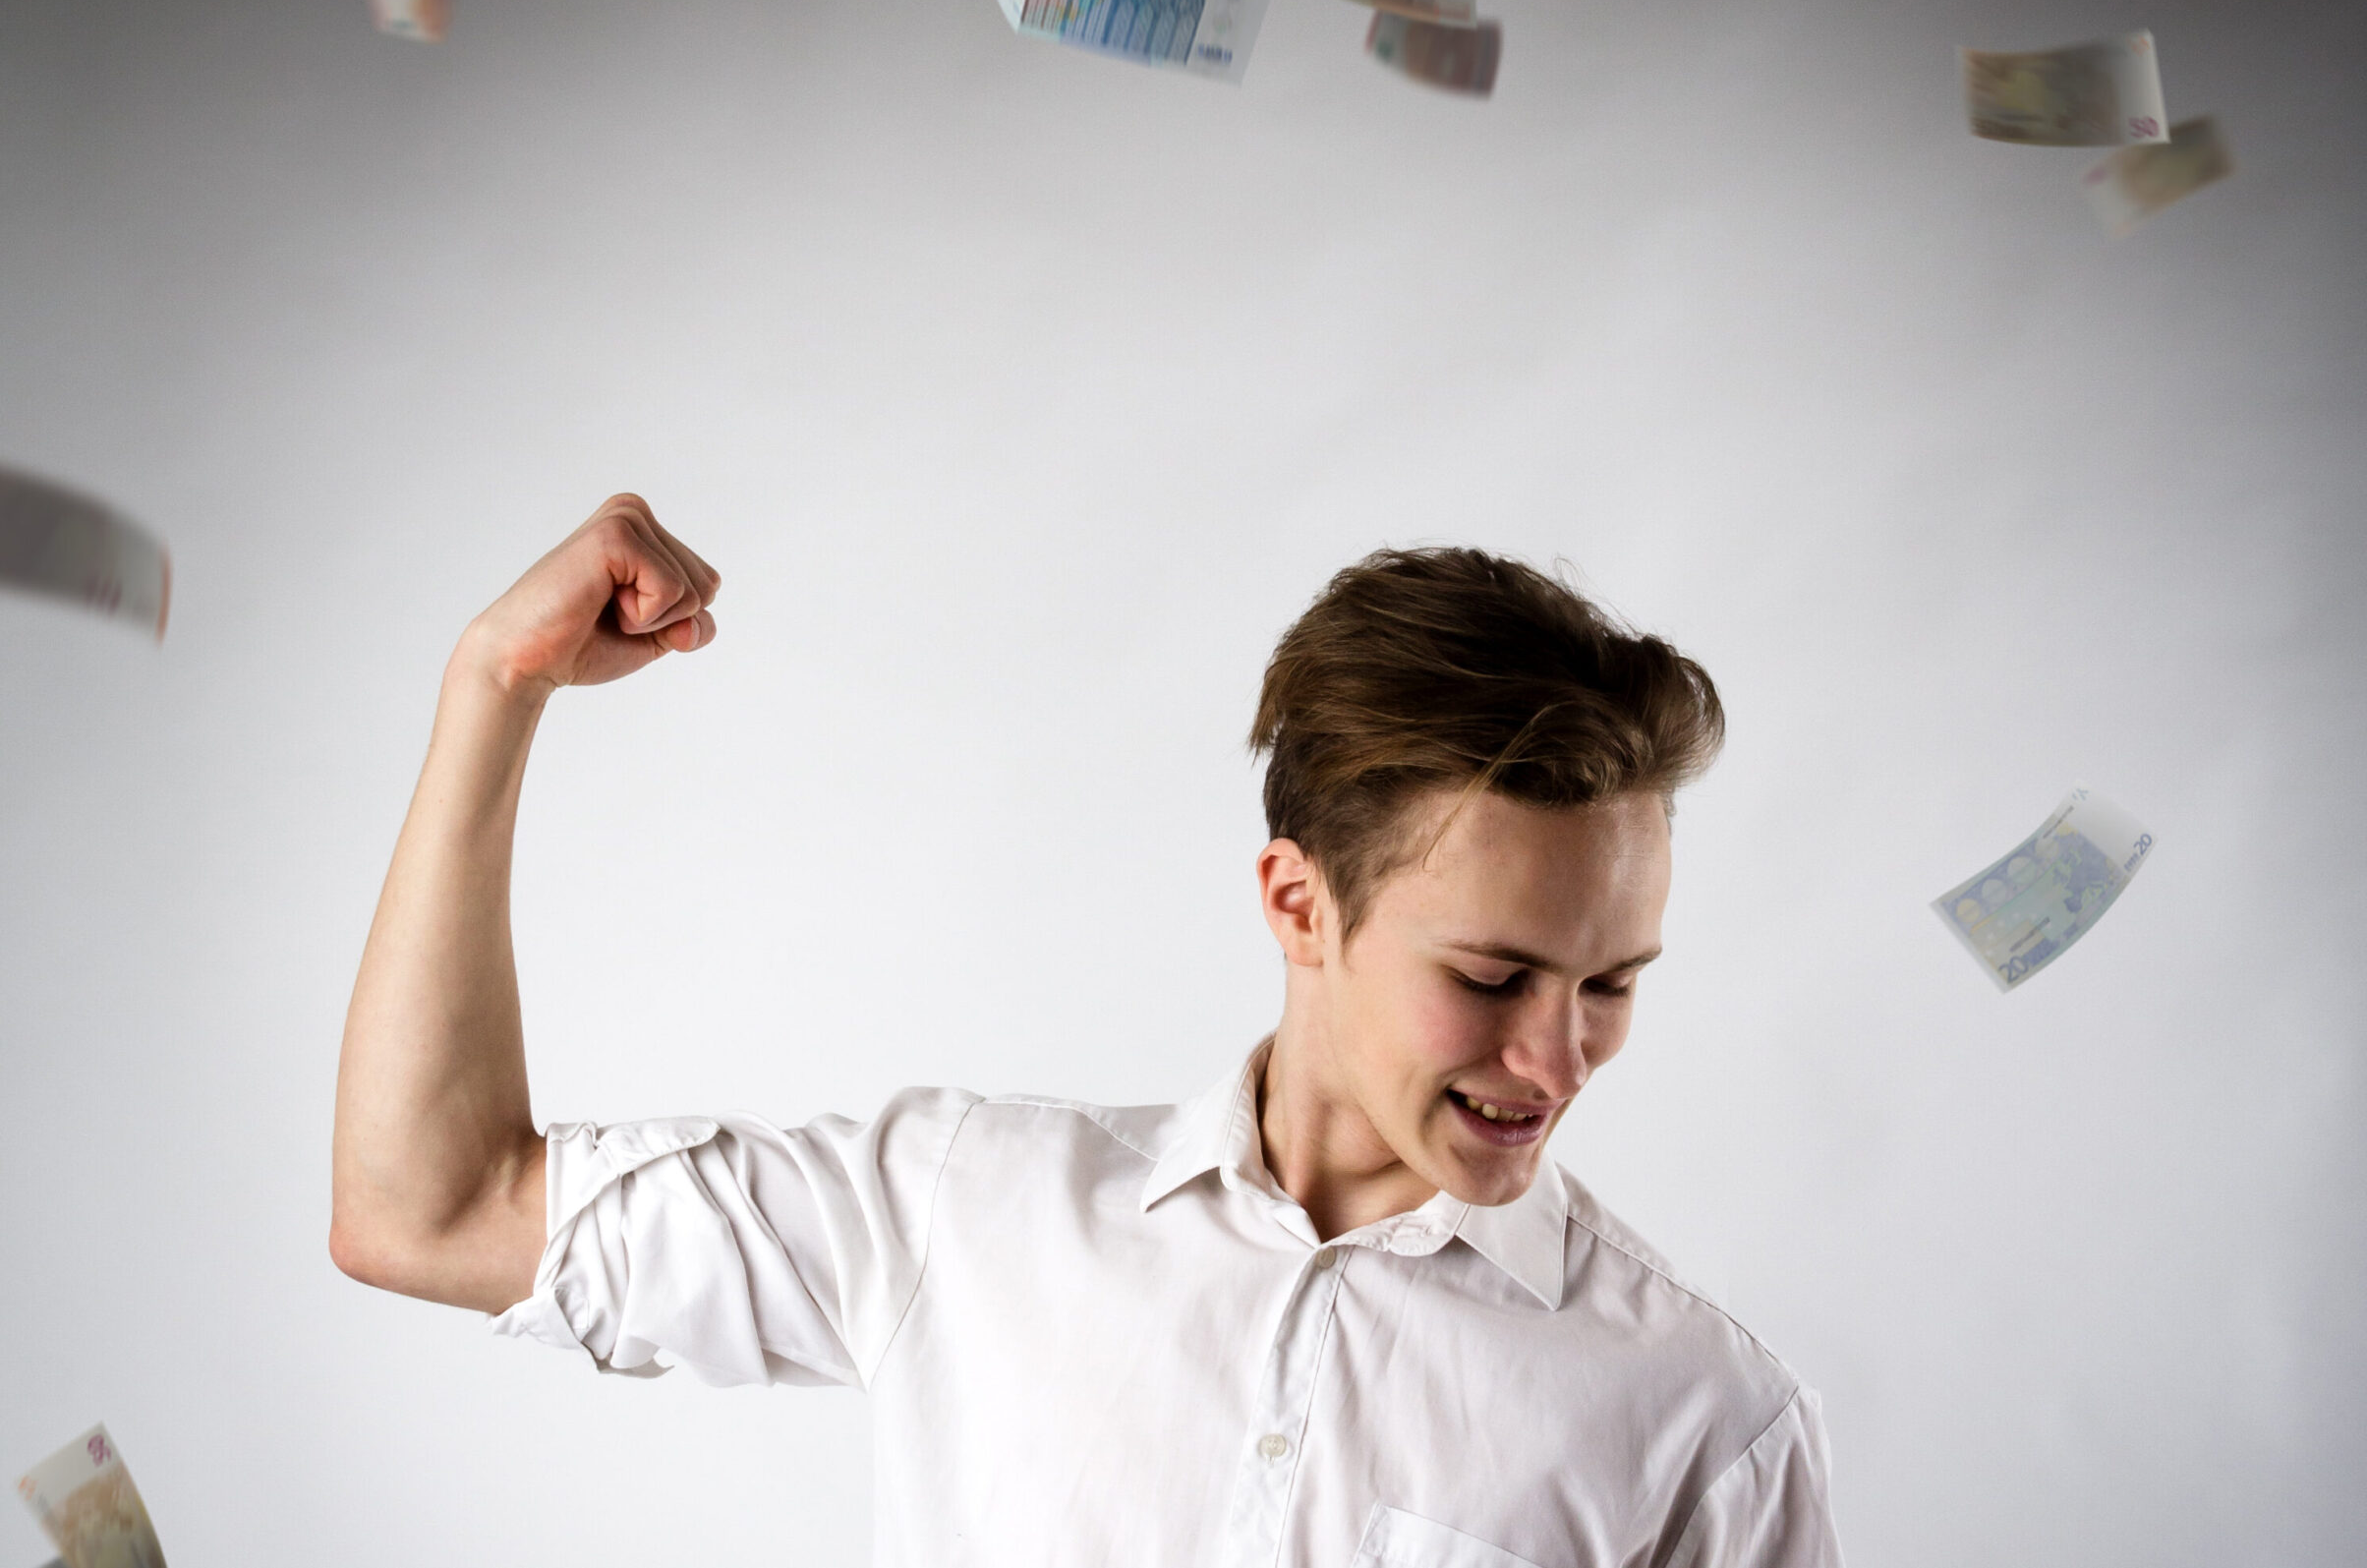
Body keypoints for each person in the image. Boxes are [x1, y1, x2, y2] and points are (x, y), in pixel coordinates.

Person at [330, 493, 1845, 1568]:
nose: (1561, 1060)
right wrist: (496, 685)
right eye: (1499, 977)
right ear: (1299, 902)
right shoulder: (964, 1209)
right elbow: (428, 1210)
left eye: (1612, 983)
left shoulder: (1708, 1421)